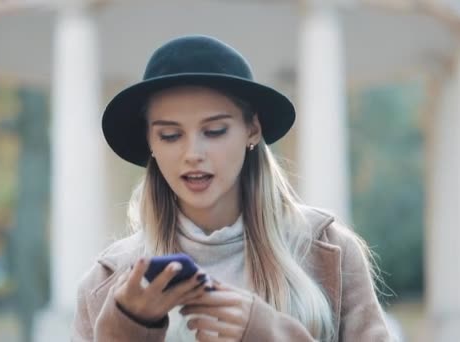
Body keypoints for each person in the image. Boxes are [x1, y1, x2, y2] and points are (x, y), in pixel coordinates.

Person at [72, 35, 391, 342]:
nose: (193, 153)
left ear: (252, 129)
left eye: (214, 131)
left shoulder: (328, 251)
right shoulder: (109, 282)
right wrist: (131, 327)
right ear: (150, 142)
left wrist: (268, 334)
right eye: (170, 135)